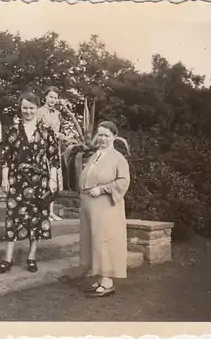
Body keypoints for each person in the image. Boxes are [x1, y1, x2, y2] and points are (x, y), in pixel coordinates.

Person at [0, 92, 60, 274]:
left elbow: (54, 157)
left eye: (31, 108)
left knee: (37, 217)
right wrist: (4, 178)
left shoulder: (46, 130)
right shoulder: (14, 129)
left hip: (39, 182)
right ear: (20, 108)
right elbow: (6, 157)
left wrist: (53, 180)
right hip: (17, 180)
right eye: (25, 108)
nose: (28, 111)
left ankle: (31, 257)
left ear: (37, 109)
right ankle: (7, 258)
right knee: (13, 216)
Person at [79, 120, 130, 297]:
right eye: (100, 135)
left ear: (114, 137)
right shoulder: (95, 155)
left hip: (106, 207)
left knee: (104, 242)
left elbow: (123, 181)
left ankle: (108, 282)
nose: (102, 139)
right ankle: (100, 278)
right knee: (94, 242)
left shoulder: (118, 158)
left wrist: (102, 189)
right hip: (90, 206)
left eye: (106, 135)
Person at [37, 86, 65, 221]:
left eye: (55, 97)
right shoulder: (38, 112)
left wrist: (60, 135)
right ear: (45, 97)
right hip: (42, 150)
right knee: (44, 178)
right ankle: (43, 211)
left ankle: (51, 211)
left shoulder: (58, 114)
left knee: (54, 179)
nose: (53, 99)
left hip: (55, 150)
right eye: (51, 96)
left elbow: (62, 130)